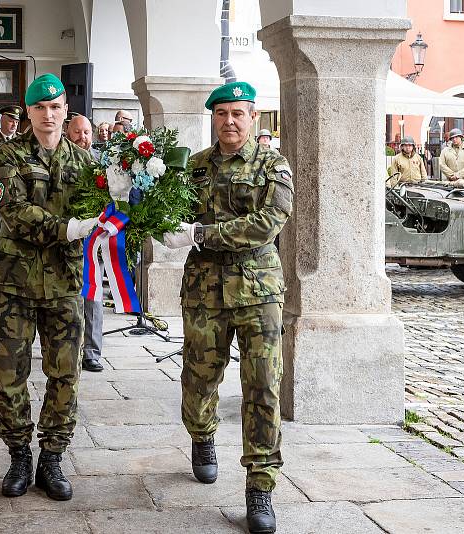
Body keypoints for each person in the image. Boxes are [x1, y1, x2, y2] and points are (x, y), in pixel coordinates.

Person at [162, 81, 293, 534]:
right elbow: (168, 216)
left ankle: (260, 486)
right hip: (204, 291)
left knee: (263, 387)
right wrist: (161, 224)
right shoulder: (192, 167)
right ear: (213, 118)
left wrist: (202, 235)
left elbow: (268, 223)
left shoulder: (274, 165)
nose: (231, 121)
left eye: (239, 113)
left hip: (259, 291)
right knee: (199, 378)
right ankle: (202, 435)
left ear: (253, 117)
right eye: (222, 114)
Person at [0, 73, 97, 501]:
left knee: (65, 375)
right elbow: (13, 211)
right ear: (28, 112)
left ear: (65, 110)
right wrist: (69, 228)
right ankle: (18, 454)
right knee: (9, 374)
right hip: (15, 283)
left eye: (56, 107)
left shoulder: (86, 164)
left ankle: (52, 456)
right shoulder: (8, 156)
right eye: (40, 108)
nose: (48, 115)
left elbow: (103, 216)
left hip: (66, 284)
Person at [65, 115, 104, 372]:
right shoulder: (61, 160)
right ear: (68, 134)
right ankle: (65, 347)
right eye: (78, 132)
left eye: (87, 132)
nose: (83, 137)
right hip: (65, 238)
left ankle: (91, 351)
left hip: (95, 241)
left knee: (93, 296)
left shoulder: (104, 163)